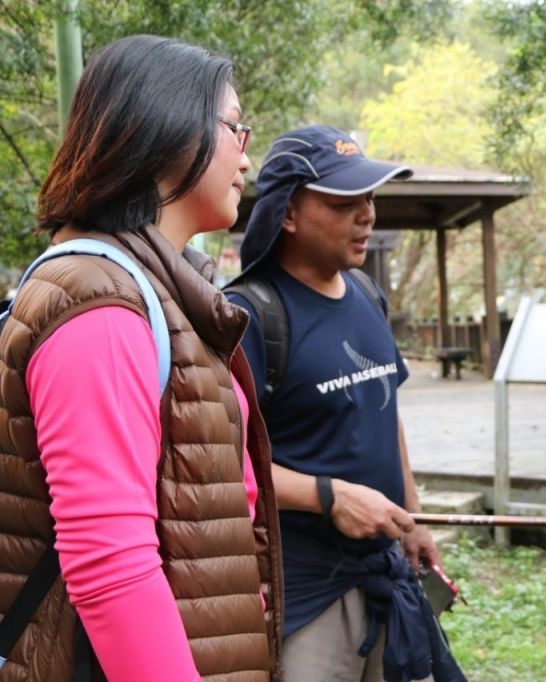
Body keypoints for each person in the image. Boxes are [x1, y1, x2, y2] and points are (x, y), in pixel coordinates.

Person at [0, 36, 283, 680]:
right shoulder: (101, 308)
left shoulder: (159, 289)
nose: (247, 155)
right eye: (236, 128)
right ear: (170, 127)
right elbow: (110, 566)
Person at [227, 125, 464, 682]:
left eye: (370, 198)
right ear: (287, 213)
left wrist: (413, 515)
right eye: (343, 202)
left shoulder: (366, 293)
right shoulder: (250, 317)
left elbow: (385, 414)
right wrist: (328, 496)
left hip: (384, 567)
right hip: (306, 589)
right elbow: (222, 465)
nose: (367, 215)